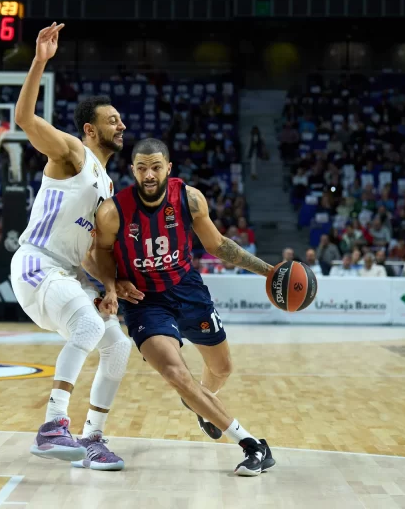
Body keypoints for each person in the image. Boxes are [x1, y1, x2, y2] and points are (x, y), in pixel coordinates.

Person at [92, 138, 275, 476]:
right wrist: (110, 285)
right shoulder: (112, 211)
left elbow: (218, 245)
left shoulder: (189, 199)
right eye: (142, 167)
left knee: (221, 369)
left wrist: (269, 271)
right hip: (146, 303)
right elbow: (99, 252)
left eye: (156, 166)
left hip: (188, 290)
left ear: (168, 168)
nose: (149, 174)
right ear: (133, 169)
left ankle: (202, 403)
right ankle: (253, 444)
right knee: (176, 374)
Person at [10, 22, 132, 471]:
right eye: (112, 120)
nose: (122, 124)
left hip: (69, 273)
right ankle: (51, 426)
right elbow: (23, 118)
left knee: (117, 345)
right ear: (90, 129)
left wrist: (110, 285)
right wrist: (40, 60)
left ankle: (93, 438)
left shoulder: (108, 182)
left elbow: (88, 251)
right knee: (88, 327)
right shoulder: (73, 153)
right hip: (36, 264)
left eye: (120, 119)